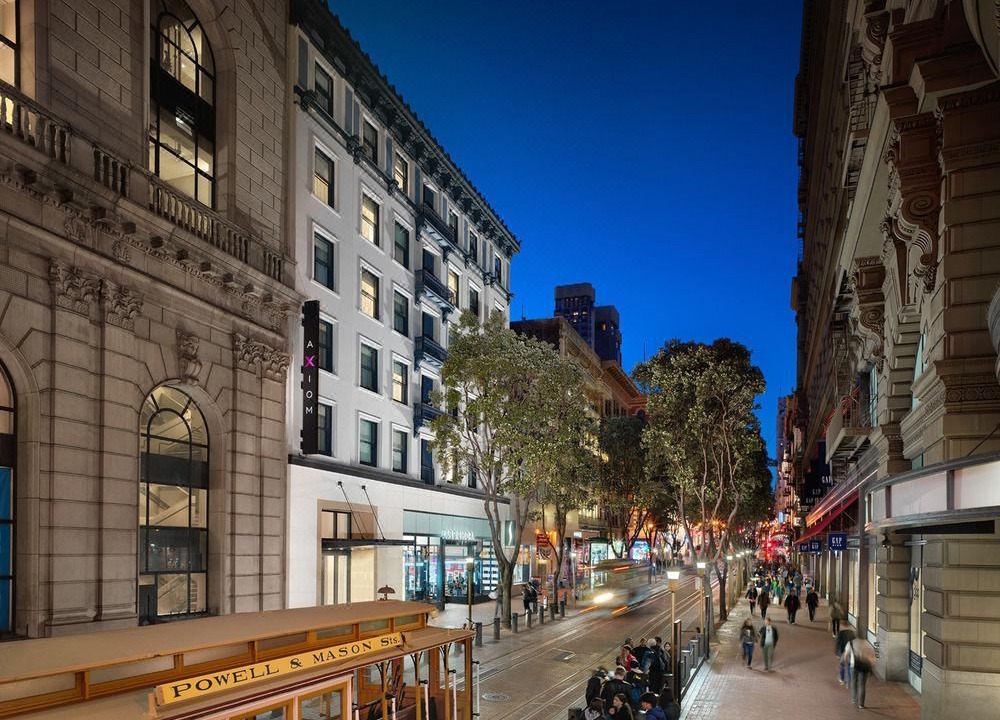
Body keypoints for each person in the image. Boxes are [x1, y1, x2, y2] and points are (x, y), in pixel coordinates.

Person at [846, 637, 875, 709]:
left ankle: (854, 699)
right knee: (862, 685)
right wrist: (871, 666)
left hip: (854, 666)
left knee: (853, 682)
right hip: (864, 666)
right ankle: (861, 704)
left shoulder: (851, 643)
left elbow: (846, 655)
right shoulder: (868, 644)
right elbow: (872, 656)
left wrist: (847, 663)